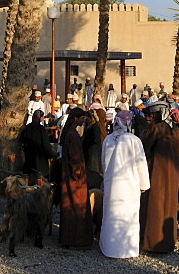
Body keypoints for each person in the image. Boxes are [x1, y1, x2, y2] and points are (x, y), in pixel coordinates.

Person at [99, 110, 149, 259]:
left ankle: (109, 247)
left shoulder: (108, 140)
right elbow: (141, 164)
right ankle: (128, 249)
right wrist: (144, 184)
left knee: (111, 214)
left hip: (112, 184)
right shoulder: (134, 140)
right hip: (130, 185)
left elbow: (103, 163)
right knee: (128, 216)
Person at [140, 101, 179, 253]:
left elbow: (143, 147)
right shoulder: (176, 130)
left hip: (157, 172)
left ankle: (154, 242)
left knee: (155, 204)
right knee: (169, 204)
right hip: (173, 174)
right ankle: (168, 241)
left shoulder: (157, 129)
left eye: (153, 114)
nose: (151, 117)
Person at [59, 108, 93, 248]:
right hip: (75, 178)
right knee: (76, 205)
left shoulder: (70, 133)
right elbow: (74, 157)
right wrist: (77, 173)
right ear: (76, 119)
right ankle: (76, 240)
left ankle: (69, 238)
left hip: (70, 175)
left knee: (70, 205)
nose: (83, 120)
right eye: (81, 118)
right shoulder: (72, 135)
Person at [19, 109, 55, 183]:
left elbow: (22, 140)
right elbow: (46, 145)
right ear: (40, 118)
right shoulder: (41, 129)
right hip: (40, 162)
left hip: (29, 161)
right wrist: (51, 155)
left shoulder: (27, 128)